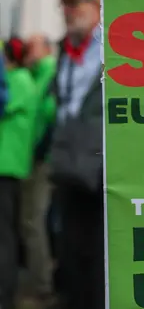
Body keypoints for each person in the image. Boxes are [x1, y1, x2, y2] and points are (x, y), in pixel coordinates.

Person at [47, 0, 104, 309]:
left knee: (97, 256)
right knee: (69, 253)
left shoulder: (111, 47)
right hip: (68, 170)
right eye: (65, 3)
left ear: (96, 5)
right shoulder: (65, 52)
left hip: (99, 174)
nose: (68, 10)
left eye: (75, 2)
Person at [17, 34, 57, 305]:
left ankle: (41, 284)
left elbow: (48, 115)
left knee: (34, 221)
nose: (26, 53)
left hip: (43, 159)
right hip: (39, 157)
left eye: (31, 48)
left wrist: (38, 151)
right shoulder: (38, 75)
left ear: (43, 49)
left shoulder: (48, 73)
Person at [0, 37, 38, 309]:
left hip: (7, 166)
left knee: (5, 237)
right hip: (9, 165)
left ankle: (6, 294)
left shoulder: (20, 80)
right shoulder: (23, 79)